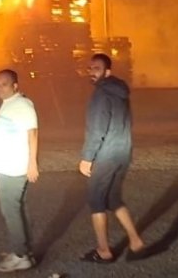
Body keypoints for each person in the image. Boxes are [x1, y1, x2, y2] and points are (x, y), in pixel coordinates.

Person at [78, 53, 146, 263]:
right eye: (90, 68)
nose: (92, 72)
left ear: (107, 71)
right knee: (113, 199)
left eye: (96, 68)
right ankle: (136, 242)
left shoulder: (101, 94)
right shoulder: (121, 93)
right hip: (123, 152)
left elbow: (98, 128)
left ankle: (103, 250)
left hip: (107, 154)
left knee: (96, 201)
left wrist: (87, 157)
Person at [0, 69, 39, 272]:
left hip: (14, 167)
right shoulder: (9, 103)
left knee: (11, 211)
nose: (0, 88)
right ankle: (24, 250)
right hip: (9, 166)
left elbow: (33, 133)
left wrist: (32, 163)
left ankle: (20, 255)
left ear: (15, 86)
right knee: (18, 209)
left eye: (4, 84)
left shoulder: (22, 104)